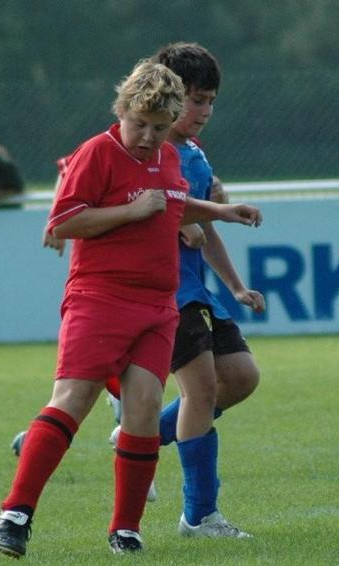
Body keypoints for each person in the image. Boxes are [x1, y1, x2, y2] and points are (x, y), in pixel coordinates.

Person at [0, 59, 262, 559]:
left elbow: (172, 202)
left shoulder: (170, 156)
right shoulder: (98, 151)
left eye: (159, 128)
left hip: (158, 306)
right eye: (140, 124)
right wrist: (133, 210)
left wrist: (220, 211)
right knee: (73, 399)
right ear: (122, 111)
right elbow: (63, 222)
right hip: (100, 298)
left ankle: (126, 530)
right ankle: (15, 514)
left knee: (142, 412)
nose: (148, 137)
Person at [109, 42, 265, 538]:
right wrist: (182, 218)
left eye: (210, 101)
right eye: (196, 100)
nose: (204, 111)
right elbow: (145, 206)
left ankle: (140, 433)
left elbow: (203, 224)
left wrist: (236, 286)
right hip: (166, 291)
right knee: (201, 390)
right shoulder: (146, 152)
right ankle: (199, 516)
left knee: (241, 376)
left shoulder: (193, 153)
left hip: (196, 288)